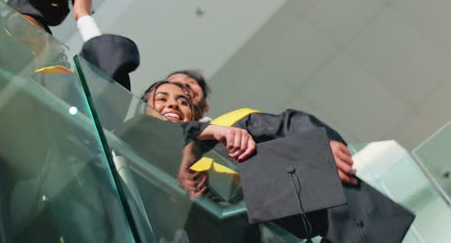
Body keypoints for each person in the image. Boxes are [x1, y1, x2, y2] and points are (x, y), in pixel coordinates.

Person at [155, 80, 413, 242]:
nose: (175, 103)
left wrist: (325, 144)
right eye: (163, 96)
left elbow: (288, 123)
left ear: (201, 108)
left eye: (187, 95)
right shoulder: (131, 138)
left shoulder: (232, 125)